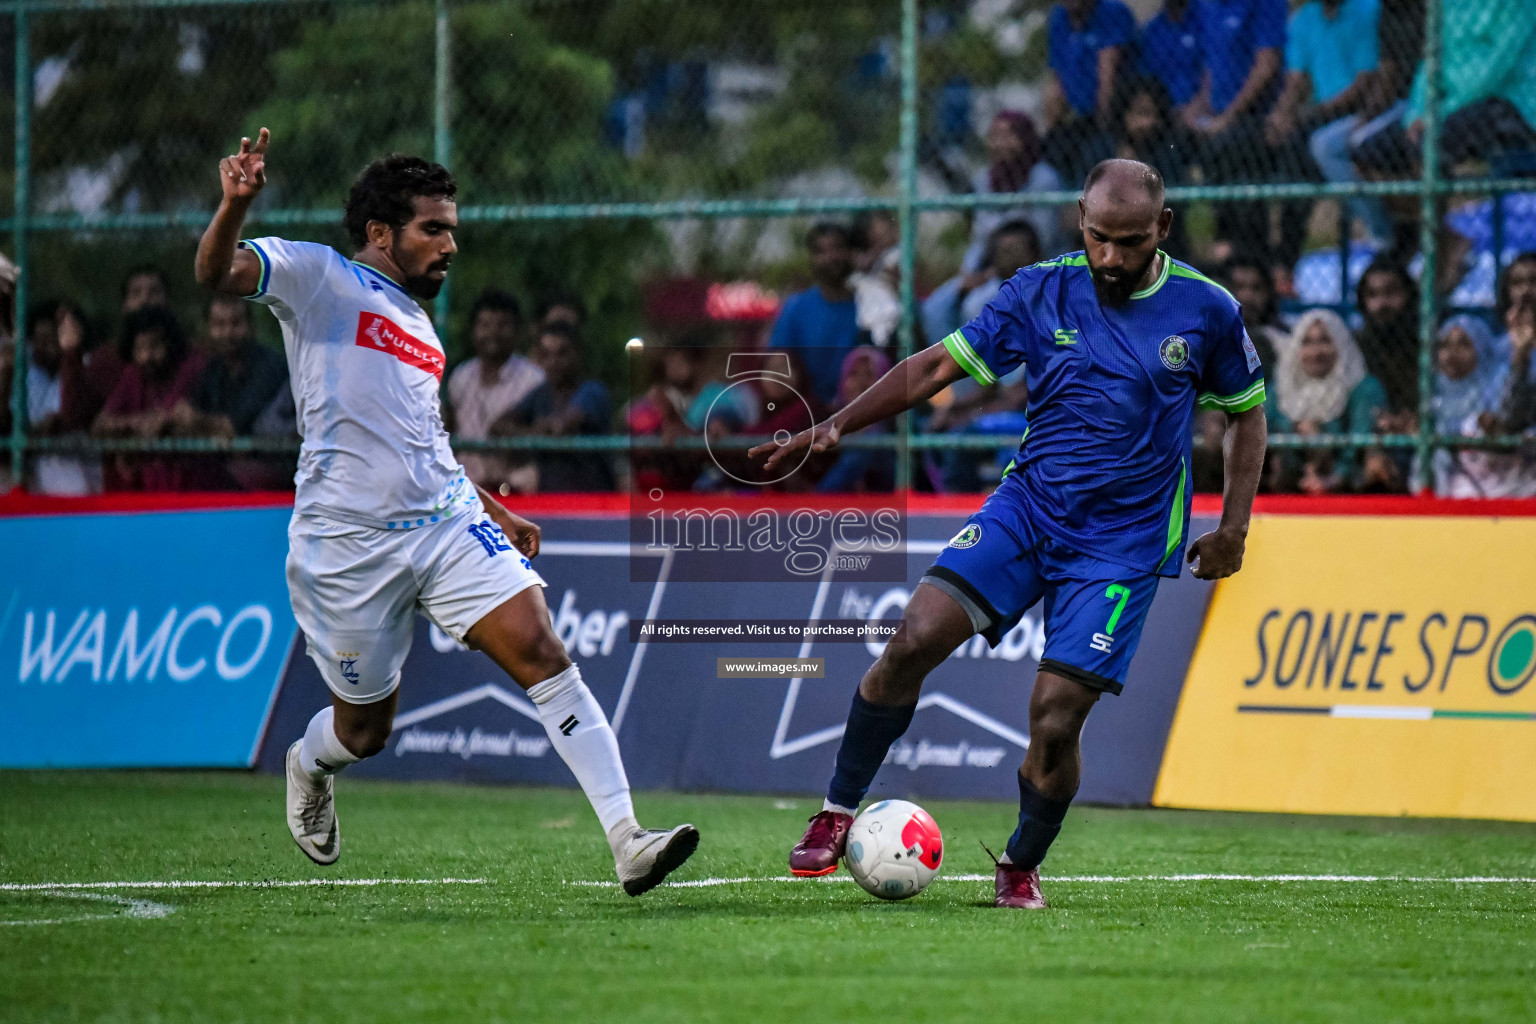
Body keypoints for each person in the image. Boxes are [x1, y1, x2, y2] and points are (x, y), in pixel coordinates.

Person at [754, 160, 1267, 909]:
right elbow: (935, 366)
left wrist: (1236, 529)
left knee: (1055, 719)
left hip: (1122, 545)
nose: (1112, 259)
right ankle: (836, 813)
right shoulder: (1037, 290)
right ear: (1079, 221)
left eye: (1129, 243)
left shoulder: (1207, 308)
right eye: (1099, 239)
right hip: (1028, 510)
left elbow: (1246, 414)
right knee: (912, 638)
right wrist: (833, 423)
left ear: (1162, 228)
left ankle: (1021, 864)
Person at [193, 129, 697, 892]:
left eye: (452, 228)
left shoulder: (423, 330)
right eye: (434, 228)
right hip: (345, 544)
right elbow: (215, 272)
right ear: (379, 233)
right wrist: (234, 206)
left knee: (542, 650)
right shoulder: (319, 279)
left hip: (443, 523)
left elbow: (421, 440)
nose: (450, 243)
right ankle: (310, 760)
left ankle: (628, 839)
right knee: (365, 731)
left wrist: (491, 506)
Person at [1266, 0, 1391, 248]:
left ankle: (1380, 233)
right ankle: (1283, 254)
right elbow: (1296, 79)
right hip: (1322, 113)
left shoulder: (1366, 10)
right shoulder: (1303, 19)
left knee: (1320, 146)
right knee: (1286, 149)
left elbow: (1365, 80)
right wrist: (1281, 114)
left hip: (1362, 110)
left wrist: (1311, 111)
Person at [1183, 0, 1289, 273]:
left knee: (1230, 153)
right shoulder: (1206, 6)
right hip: (1219, 118)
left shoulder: (1266, 4)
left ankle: (1247, 256)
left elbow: (1267, 64)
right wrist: (1200, 107)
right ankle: (1179, 261)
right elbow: (1211, 66)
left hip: (1257, 119)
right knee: (1171, 149)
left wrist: (1227, 118)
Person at [1266, 308, 1389, 493]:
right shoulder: (1280, 390)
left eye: (1325, 341)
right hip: (1289, 482)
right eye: (1306, 342)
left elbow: (1360, 443)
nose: (1315, 352)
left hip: (1350, 485)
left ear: (1341, 344)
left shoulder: (1364, 388)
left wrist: (1334, 476)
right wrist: (1295, 429)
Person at [92, 306, 211, 491]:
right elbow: (100, 425)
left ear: (170, 344)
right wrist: (133, 423)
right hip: (146, 487)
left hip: (191, 484)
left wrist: (158, 423)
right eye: (140, 348)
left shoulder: (191, 369)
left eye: (155, 346)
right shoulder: (133, 375)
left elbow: (170, 420)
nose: (147, 356)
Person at [183, 294, 291, 489]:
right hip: (230, 470)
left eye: (236, 323)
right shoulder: (213, 369)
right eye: (219, 324)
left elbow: (233, 426)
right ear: (208, 328)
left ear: (251, 326)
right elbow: (186, 417)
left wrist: (196, 422)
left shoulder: (270, 366)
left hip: (276, 473)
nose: (228, 333)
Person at [500, 322, 614, 492]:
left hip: (593, 500)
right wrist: (536, 432)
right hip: (550, 499)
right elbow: (499, 425)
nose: (553, 362)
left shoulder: (592, 391)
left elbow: (561, 426)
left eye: (562, 354)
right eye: (546, 355)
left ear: (578, 354)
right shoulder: (540, 393)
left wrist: (526, 434)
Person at [1430, 315, 1534, 496]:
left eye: (1464, 344)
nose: (1451, 353)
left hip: (1512, 487)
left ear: (1482, 348)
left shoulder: (1501, 381)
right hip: (1459, 488)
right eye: (1444, 345)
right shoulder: (1433, 393)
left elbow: (1511, 418)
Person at [767, 223, 862, 406]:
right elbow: (779, 365)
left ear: (851, 252)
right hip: (807, 411)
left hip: (861, 410)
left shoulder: (870, 305)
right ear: (811, 258)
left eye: (837, 248)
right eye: (821, 251)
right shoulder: (796, 308)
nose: (830, 257)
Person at [1040, 0, 1133, 186]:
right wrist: (1051, 130)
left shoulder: (1110, 11)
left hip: (1110, 116)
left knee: (1097, 158)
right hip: (1076, 117)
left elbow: (1107, 75)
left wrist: (1103, 125)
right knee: (1051, 162)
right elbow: (1056, 80)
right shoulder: (1059, 17)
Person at [964, 112, 1069, 271]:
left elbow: (1042, 237)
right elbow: (980, 236)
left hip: (1037, 267)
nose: (1001, 144)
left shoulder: (1043, 177)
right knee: (944, 296)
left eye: (1009, 136)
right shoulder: (983, 179)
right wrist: (968, 271)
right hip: (989, 266)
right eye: (995, 136)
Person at [21, 300, 100, 494]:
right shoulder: (22, 371)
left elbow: (75, 415)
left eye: (55, 339)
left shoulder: (86, 365)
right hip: (28, 463)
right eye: (42, 340)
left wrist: (70, 355)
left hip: (75, 461)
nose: (50, 347)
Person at [1353, 257, 1419, 413]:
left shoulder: (1426, 345)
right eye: (1372, 294)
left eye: (1391, 292)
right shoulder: (1355, 346)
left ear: (1408, 294)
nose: (1381, 304)